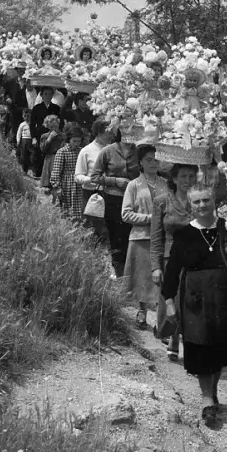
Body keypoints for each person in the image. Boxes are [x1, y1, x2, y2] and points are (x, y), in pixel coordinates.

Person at [163, 183, 227, 425]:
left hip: (226, 297)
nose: (201, 205)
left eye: (206, 200)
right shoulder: (183, 234)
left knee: (220, 347)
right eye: (196, 201)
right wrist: (169, 301)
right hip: (195, 299)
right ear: (190, 204)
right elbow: (173, 272)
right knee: (200, 346)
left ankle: (214, 390)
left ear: (214, 201)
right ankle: (207, 398)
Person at [150, 163, 197, 361]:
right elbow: (156, 237)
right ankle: (173, 336)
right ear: (175, 179)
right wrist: (155, 267)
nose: (188, 181)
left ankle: (188, 341)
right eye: (184, 176)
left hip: (194, 260)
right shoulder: (162, 202)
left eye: (191, 177)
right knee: (172, 303)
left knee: (191, 303)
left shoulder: (199, 202)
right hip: (170, 259)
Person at [121, 144, 168, 328]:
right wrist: (151, 218)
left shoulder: (165, 184)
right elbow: (126, 214)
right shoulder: (133, 185)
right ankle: (142, 311)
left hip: (162, 238)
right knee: (141, 277)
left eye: (156, 159)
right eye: (148, 159)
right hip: (140, 237)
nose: (153, 163)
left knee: (159, 277)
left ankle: (160, 318)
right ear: (140, 162)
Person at [89, 131, 140, 278]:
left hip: (134, 200)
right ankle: (118, 274)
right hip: (113, 200)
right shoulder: (108, 151)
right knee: (116, 237)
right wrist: (115, 181)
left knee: (132, 236)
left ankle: (132, 274)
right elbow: (95, 177)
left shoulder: (138, 151)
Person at [74, 119, 112, 245]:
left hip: (109, 194)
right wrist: (92, 179)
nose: (111, 135)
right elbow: (78, 176)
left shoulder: (112, 149)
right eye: (109, 132)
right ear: (99, 133)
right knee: (91, 230)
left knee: (108, 229)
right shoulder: (86, 151)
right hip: (91, 195)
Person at [49, 124, 84, 220]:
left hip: (79, 182)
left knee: (79, 206)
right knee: (66, 207)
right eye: (74, 141)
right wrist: (57, 187)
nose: (77, 143)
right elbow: (56, 171)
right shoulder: (62, 152)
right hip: (66, 183)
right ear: (69, 139)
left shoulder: (82, 151)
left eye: (79, 141)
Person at [29, 86, 62, 178]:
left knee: (51, 153)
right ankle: (37, 172)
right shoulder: (36, 108)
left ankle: (50, 174)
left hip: (53, 133)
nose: (48, 96)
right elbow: (32, 124)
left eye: (50, 94)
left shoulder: (56, 108)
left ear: (52, 96)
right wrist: (33, 138)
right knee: (39, 153)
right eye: (45, 94)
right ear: (41, 95)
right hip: (40, 133)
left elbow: (60, 122)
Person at [3, 60, 29, 145]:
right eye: (19, 69)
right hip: (14, 109)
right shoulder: (11, 82)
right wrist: (8, 99)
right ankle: (14, 147)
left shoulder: (28, 81)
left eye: (23, 69)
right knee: (15, 129)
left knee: (25, 130)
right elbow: (6, 93)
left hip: (25, 109)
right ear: (16, 70)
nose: (21, 71)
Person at [39, 115, 64, 192]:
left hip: (60, 158)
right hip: (50, 158)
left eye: (55, 126)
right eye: (51, 127)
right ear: (48, 126)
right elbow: (43, 149)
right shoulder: (45, 136)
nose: (54, 129)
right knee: (49, 180)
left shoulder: (63, 136)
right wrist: (49, 139)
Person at [16, 109, 33, 174]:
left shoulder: (33, 123)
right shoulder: (22, 124)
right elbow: (19, 133)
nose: (26, 118)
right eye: (25, 116)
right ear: (22, 116)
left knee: (32, 156)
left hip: (31, 140)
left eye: (28, 116)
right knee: (24, 156)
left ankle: (33, 169)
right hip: (24, 140)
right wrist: (18, 140)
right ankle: (24, 170)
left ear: (31, 116)